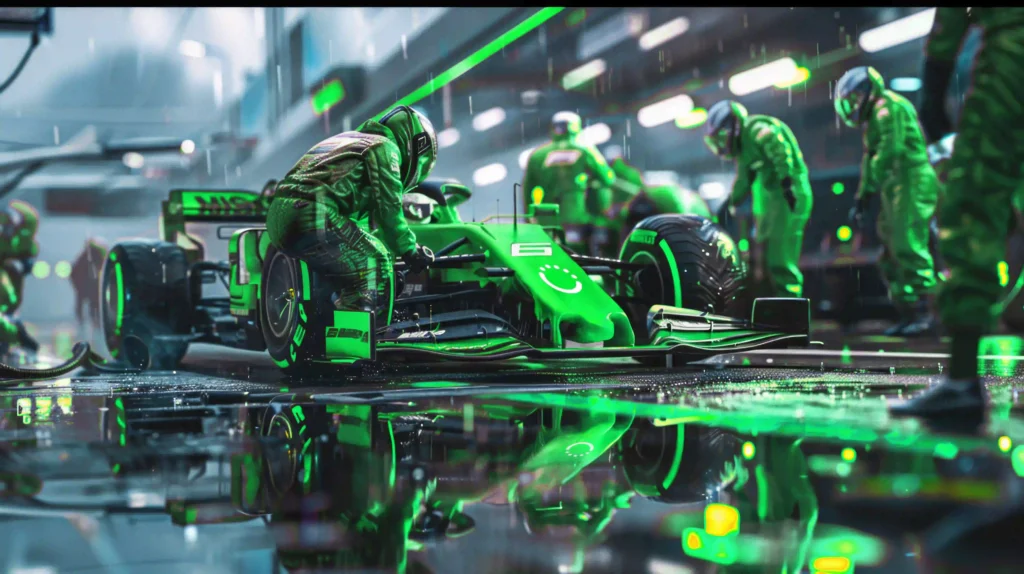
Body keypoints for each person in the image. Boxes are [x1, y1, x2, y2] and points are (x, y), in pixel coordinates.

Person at [890, 7, 1024, 422]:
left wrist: (933, 91)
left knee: (972, 207)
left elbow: (949, 25)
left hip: (1014, 57)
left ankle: (962, 379)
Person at [265, 106, 437, 319]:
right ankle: (360, 331)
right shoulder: (385, 147)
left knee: (343, 270)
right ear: (415, 145)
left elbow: (354, 224)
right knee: (375, 264)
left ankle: (328, 323)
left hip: (280, 215)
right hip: (311, 214)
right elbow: (389, 210)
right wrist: (410, 250)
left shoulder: (351, 140)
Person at [835, 66, 941, 337]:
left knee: (907, 245)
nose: (853, 105)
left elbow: (888, 152)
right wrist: (862, 195)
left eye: (855, 98)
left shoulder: (888, 108)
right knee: (890, 254)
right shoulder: (874, 118)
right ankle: (909, 313)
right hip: (894, 185)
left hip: (911, 180)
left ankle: (927, 313)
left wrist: (869, 188)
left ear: (867, 91)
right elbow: (872, 158)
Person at [703, 100, 813, 297]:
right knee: (764, 262)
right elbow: (744, 179)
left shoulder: (756, 130)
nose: (721, 146)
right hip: (770, 204)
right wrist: (729, 202)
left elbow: (779, 150)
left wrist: (787, 183)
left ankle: (790, 308)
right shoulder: (745, 149)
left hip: (788, 199)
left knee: (779, 260)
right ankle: (774, 307)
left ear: (733, 127)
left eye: (721, 137)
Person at [522, 111, 617, 254]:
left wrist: (530, 218)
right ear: (575, 127)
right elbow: (608, 178)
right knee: (579, 259)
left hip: (547, 220)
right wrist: (590, 181)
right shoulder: (584, 150)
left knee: (552, 256)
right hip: (576, 217)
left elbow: (527, 190)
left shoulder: (537, 155)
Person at [0, 200, 41, 355]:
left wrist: (19, 265)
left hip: (11, 279)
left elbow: (28, 259)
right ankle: (17, 338)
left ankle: (15, 340)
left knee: (9, 308)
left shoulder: (23, 240)